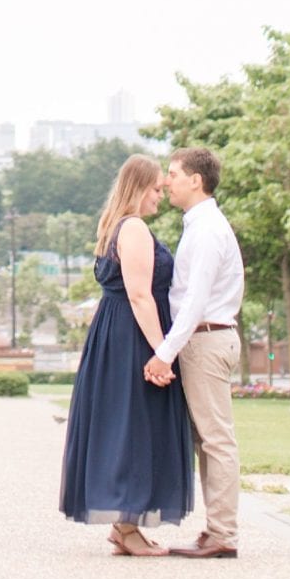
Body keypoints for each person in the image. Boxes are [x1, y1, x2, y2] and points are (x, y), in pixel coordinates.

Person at [59, 155, 193, 556]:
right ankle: (127, 526)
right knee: (136, 426)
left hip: (116, 334)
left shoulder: (114, 226)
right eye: (155, 188)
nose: (161, 195)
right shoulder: (133, 227)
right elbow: (139, 293)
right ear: (138, 189)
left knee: (128, 424)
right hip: (133, 337)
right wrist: (161, 351)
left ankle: (126, 526)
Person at [144, 146, 245, 559]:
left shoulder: (206, 231)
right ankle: (216, 530)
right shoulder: (200, 226)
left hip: (205, 339)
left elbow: (194, 302)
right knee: (209, 439)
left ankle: (223, 534)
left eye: (172, 174)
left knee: (216, 440)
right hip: (204, 338)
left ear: (195, 180)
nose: (166, 182)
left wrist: (164, 352)